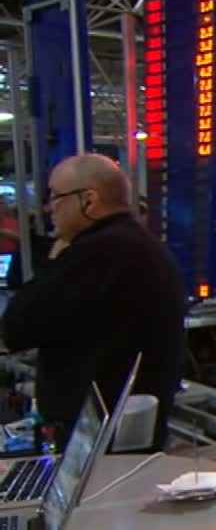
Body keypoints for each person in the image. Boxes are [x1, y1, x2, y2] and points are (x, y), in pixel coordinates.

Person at [2, 154, 184, 451]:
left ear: (88, 200)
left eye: (55, 196)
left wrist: (54, 260)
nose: (49, 208)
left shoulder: (99, 252)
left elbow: (18, 328)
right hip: (118, 430)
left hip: (98, 441)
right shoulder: (135, 244)